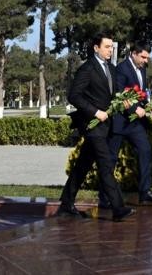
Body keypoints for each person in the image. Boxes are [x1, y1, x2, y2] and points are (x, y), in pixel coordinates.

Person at [57, 34, 134, 222]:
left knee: (83, 164)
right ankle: (118, 208)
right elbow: (74, 96)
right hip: (92, 125)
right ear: (96, 48)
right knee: (105, 164)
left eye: (112, 47)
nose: (110, 50)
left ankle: (66, 203)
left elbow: (113, 94)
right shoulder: (87, 69)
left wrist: (124, 101)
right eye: (107, 47)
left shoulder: (112, 69)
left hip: (106, 125)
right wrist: (95, 112)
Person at [103, 44, 152, 206]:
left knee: (145, 150)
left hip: (135, 123)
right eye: (143, 57)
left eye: (147, 57)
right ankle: (105, 196)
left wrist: (148, 105)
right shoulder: (121, 69)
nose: (145, 60)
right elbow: (120, 94)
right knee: (111, 159)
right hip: (119, 122)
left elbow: (142, 93)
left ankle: (144, 192)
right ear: (133, 53)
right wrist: (135, 109)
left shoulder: (142, 69)